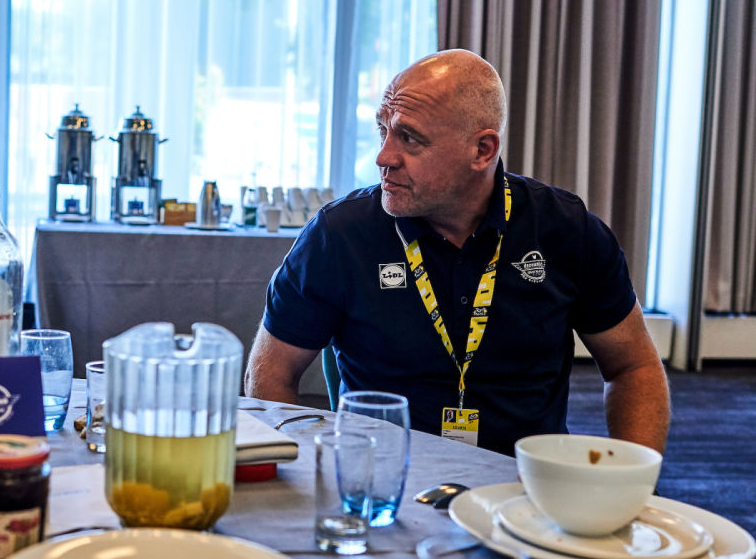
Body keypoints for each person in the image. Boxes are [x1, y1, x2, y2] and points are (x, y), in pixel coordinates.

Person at [245, 49, 670, 455]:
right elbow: (270, 373)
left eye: (409, 138)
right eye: (383, 130)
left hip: (521, 485)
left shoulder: (565, 229)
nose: (383, 156)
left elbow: (633, 368)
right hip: (388, 480)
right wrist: (305, 475)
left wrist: (632, 485)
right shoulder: (340, 235)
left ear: (482, 150)